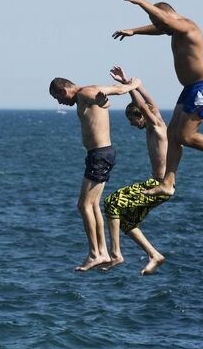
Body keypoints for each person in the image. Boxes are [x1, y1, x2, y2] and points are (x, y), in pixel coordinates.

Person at [112, 0, 203, 197]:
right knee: (172, 135)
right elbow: (161, 25)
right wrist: (134, 31)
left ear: (166, 16)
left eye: (160, 23)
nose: (160, 29)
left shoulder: (187, 26)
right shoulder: (172, 28)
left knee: (185, 136)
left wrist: (140, 1)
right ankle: (167, 183)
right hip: (190, 88)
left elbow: (164, 22)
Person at [49, 75, 141, 272]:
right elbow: (105, 97)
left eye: (58, 98)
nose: (60, 103)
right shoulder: (87, 92)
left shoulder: (84, 93)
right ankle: (105, 253)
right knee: (92, 205)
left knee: (83, 205)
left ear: (63, 90)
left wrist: (132, 85)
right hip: (100, 154)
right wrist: (106, 99)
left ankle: (95, 253)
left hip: (99, 156)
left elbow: (112, 92)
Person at [102, 66, 169, 275]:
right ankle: (154, 255)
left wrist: (133, 86)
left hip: (159, 185)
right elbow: (149, 105)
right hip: (159, 183)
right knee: (126, 221)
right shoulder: (156, 124)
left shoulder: (156, 126)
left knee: (111, 202)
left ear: (142, 117)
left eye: (133, 121)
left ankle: (115, 255)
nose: (133, 126)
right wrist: (128, 84)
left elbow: (147, 106)